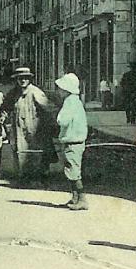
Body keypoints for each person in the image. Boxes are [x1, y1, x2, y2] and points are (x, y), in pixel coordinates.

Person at [1, 67, 54, 180]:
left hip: (33, 127)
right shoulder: (13, 93)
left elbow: (48, 108)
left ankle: (37, 176)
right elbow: (6, 107)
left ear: (29, 79)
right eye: (20, 78)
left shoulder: (35, 92)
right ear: (16, 79)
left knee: (34, 150)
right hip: (19, 127)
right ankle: (22, 175)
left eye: (25, 78)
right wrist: (3, 116)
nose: (23, 80)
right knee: (19, 150)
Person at [54, 72, 88, 211]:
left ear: (66, 89)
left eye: (60, 89)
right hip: (75, 140)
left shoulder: (70, 102)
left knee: (73, 171)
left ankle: (82, 198)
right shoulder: (75, 101)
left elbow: (63, 120)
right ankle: (75, 197)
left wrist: (58, 118)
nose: (58, 91)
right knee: (70, 170)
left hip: (73, 141)